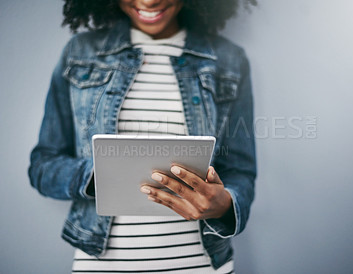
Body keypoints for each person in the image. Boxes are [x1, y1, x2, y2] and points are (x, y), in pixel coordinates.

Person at [28, 0, 257, 272]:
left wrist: (224, 206)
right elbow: (43, 167)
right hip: (102, 266)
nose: (148, 1)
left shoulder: (229, 59)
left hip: (200, 264)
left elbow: (241, 170)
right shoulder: (80, 52)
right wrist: (98, 174)